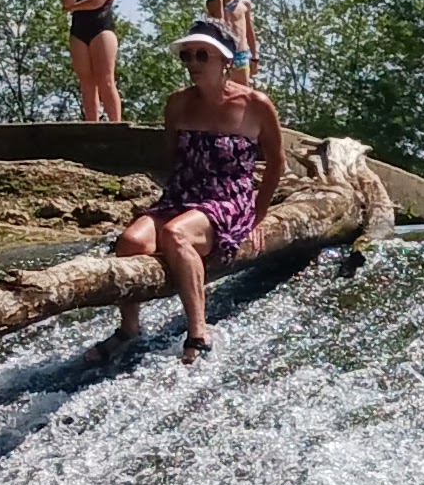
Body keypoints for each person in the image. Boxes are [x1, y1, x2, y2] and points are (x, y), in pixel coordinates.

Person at [98, 24, 284, 364]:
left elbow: (276, 163)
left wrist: (257, 216)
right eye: (187, 56)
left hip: (228, 198)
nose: (193, 63)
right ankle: (129, 327)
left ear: (225, 60)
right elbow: (172, 157)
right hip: (182, 195)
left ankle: (198, 332)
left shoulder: (255, 105)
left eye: (202, 55)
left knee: (176, 235)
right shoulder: (177, 103)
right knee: (130, 242)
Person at [64, 0, 124, 122]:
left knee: (106, 80)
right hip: (78, 31)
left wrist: (74, 7)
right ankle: (91, 124)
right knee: (86, 82)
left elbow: (97, 0)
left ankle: (116, 124)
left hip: (101, 30)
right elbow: (66, 1)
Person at [204, 0, 258, 79]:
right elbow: (220, 24)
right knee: (223, 87)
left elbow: (249, 31)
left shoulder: (244, 4)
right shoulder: (212, 4)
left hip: (240, 54)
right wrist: (219, 0)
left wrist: (255, 56)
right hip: (222, 55)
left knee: (242, 87)